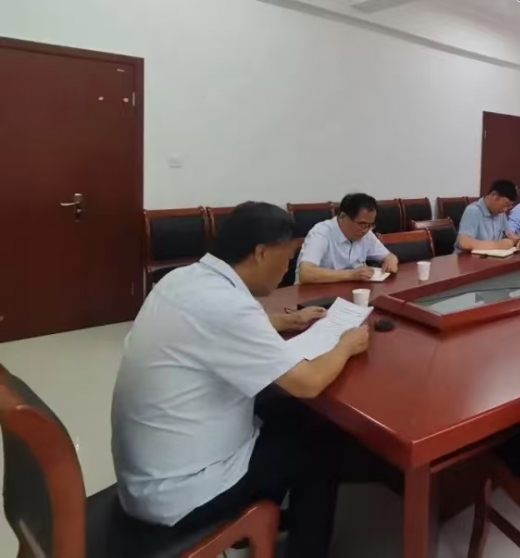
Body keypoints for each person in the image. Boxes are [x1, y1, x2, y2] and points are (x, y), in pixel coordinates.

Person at [112, 202, 370, 557]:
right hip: (181, 493)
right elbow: (308, 382)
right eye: (286, 258)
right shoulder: (228, 307)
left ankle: (279, 513)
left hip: (148, 473)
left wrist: (285, 321)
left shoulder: (183, 279)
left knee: (287, 408)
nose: (287, 268)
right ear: (261, 253)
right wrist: (345, 345)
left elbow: (216, 328)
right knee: (317, 447)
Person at [297, 193, 400, 284]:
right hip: (314, 294)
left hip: (349, 292)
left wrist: (390, 262)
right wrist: (351, 275)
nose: (365, 230)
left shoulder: (366, 233)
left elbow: (389, 256)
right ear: (343, 217)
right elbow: (306, 273)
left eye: (370, 225)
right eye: (361, 224)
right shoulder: (321, 233)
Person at [455, 179, 520, 253]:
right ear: (494, 196)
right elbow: (464, 242)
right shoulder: (473, 211)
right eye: (505, 205)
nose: (505, 210)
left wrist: (518, 241)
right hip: (465, 258)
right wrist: (497, 245)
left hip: (490, 257)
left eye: (509, 206)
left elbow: (508, 234)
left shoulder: (501, 213)